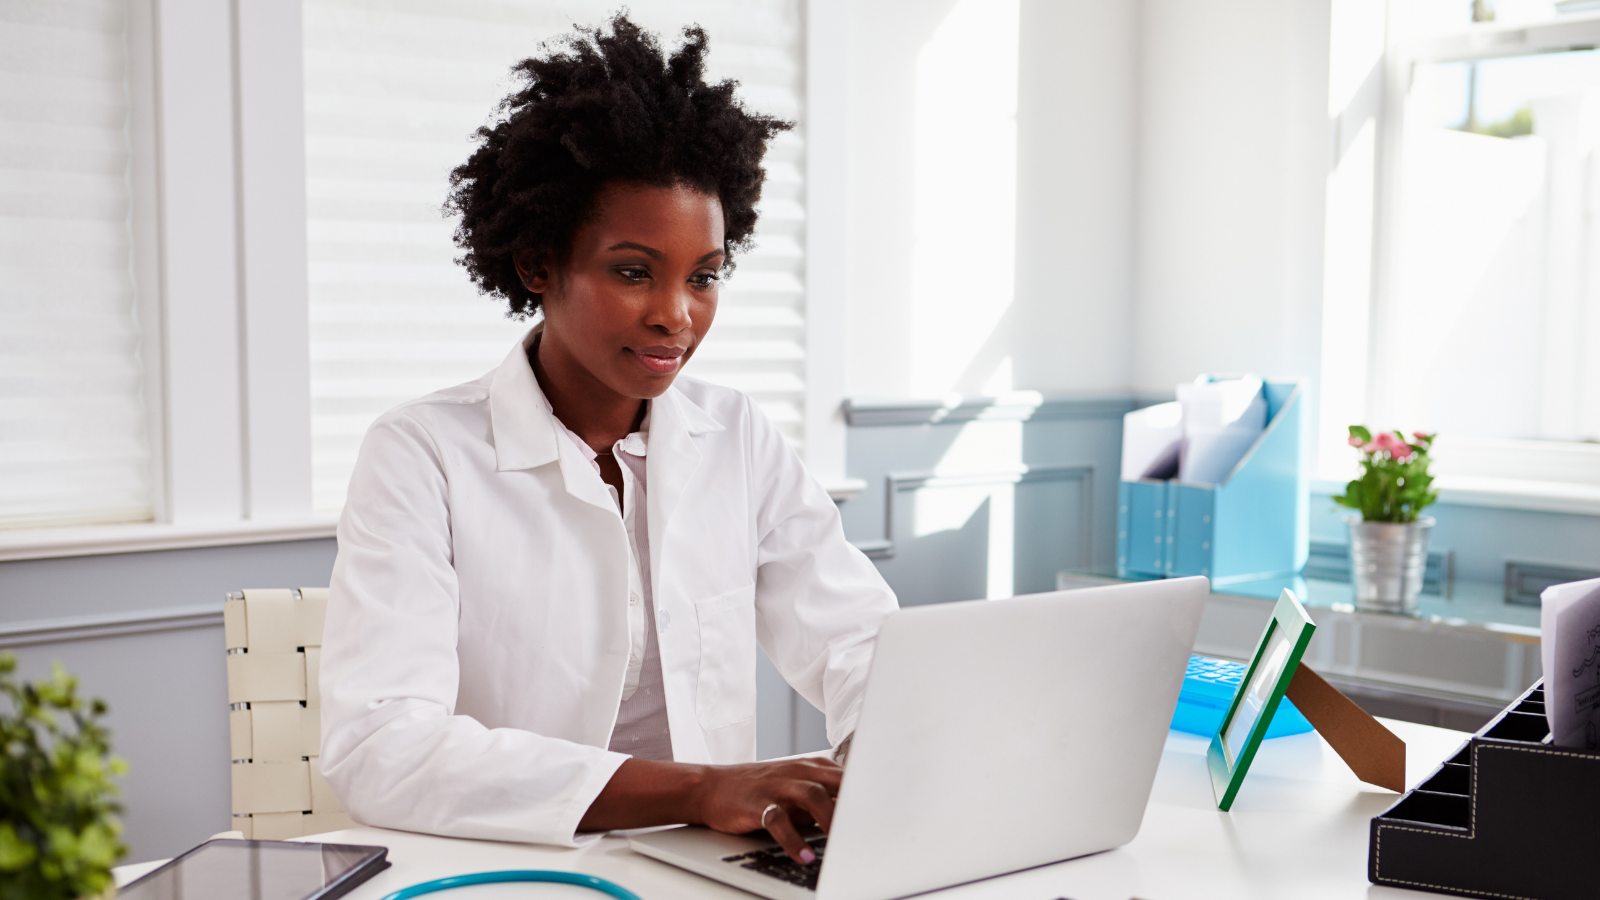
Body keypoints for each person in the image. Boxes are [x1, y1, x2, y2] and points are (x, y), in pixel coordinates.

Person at [318, 16, 898, 867]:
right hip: (513, 866)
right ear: (536, 262)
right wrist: (701, 787)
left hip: (711, 867)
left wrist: (892, 765)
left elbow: (856, 642)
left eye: (704, 276)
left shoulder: (735, 435)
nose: (677, 313)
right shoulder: (421, 454)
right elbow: (382, 748)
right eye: (635, 272)